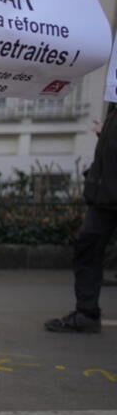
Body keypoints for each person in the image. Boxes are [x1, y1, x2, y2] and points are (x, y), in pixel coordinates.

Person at [45, 102, 117, 334]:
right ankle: (86, 313)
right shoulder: (113, 105)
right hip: (103, 195)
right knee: (87, 248)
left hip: (107, 192)